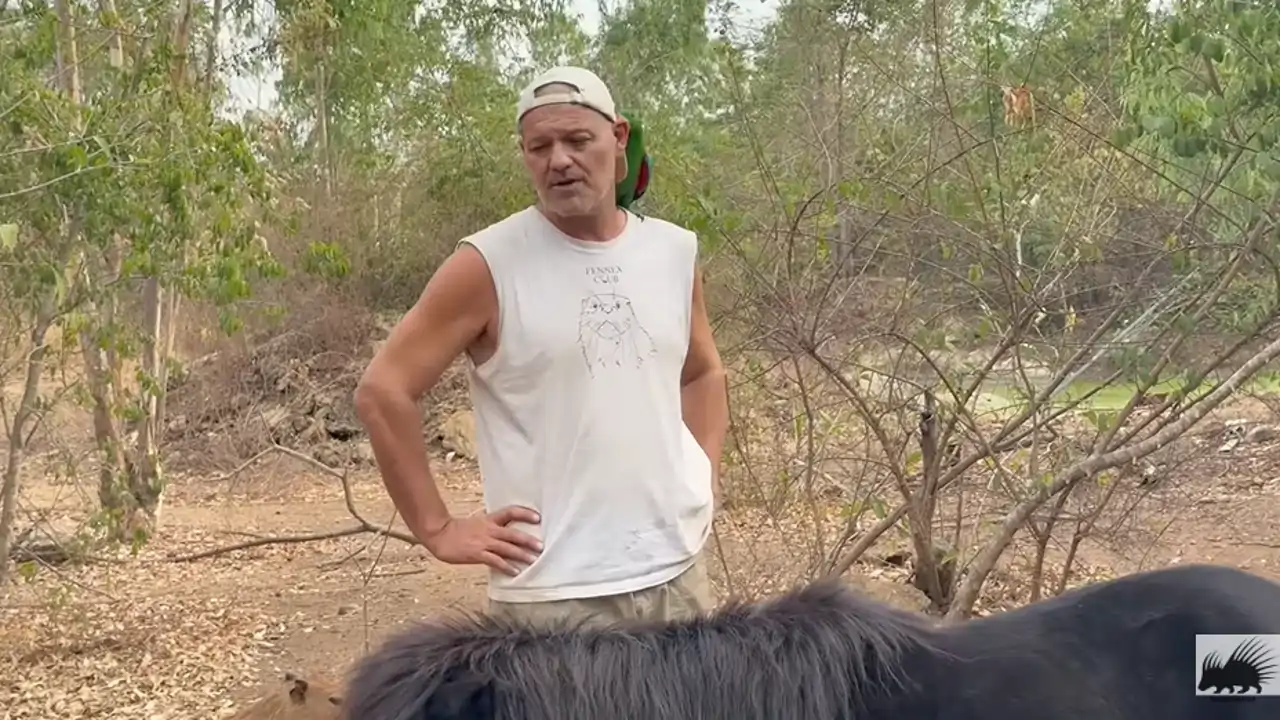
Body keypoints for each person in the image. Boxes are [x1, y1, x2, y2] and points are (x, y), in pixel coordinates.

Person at [353, 65, 728, 627]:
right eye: (540, 146)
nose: (559, 160)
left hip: (678, 578)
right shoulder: (488, 264)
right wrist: (437, 529)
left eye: (578, 140)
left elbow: (702, 374)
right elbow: (383, 392)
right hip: (556, 596)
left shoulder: (673, 252)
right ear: (524, 153)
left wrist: (702, 481)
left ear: (618, 137)